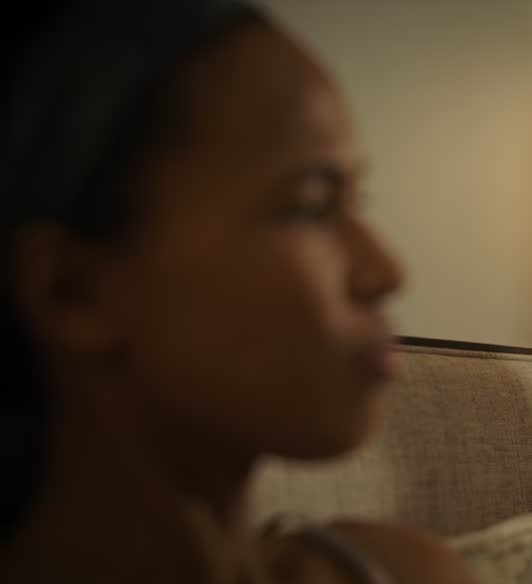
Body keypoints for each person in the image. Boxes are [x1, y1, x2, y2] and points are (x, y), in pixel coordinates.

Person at [0, 1, 474, 582]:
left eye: (357, 201)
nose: (388, 271)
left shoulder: (406, 569)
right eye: (310, 206)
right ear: (73, 291)